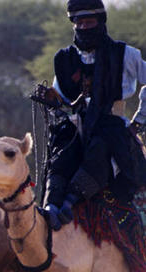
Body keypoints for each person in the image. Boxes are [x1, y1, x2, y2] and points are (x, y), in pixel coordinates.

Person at [36, 0, 146, 230]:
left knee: (100, 146)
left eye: (89, 22)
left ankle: (71, 201)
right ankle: (51, 205)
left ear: (100, 22)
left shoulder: (125, 54)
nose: (84, 28)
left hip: (112, 126)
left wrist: (139, 120)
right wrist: (52, 100)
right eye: (79, 23)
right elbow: (64, 101)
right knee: (60, 153)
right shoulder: (64, 59)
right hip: (75, 125)